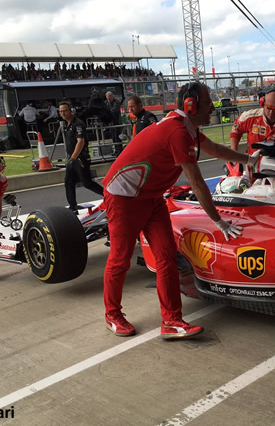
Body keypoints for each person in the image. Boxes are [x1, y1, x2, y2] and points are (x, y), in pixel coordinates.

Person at [102, 81, 261, 339]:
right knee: (120, 260)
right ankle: (112, 314)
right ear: (191, 105)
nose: (213, 107)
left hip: (150, 197)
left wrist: (250, 159)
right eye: (208, 102)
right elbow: (197, 183)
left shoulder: (188, 128)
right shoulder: (177, 131)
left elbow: (215, 150)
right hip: (124, 198)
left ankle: (172, 321)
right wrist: (219, 221)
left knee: (166, 259)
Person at [59, 101, 104, 213]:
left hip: (80, 159)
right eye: (61, 111)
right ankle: (73, 207)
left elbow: (81, 142)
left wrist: (73, 158)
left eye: (65, 110)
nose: (63, 113)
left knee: (87, 183)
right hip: (72, 159)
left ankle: (108, 195)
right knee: (68, 182)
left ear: (71, 111)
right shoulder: (68, 125)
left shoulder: (78, 124)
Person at [230, 89, 275, 156]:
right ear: (262, 104)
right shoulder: (249, 117)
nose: (271, 113)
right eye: (269, 108)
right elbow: (236, 130)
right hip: (251, 160)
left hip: (274, 162)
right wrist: (233, 153)